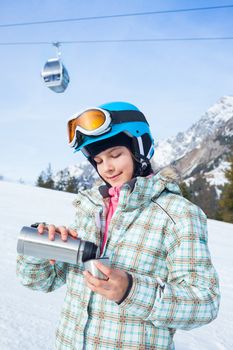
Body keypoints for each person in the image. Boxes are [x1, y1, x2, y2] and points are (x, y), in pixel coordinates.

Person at [17, 101, 220, 350]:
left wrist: (131, 291)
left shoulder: (178, 214)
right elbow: (41, 282)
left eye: (115, 155)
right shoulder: (91, 209)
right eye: (99, 160)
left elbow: (205, 302)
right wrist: (41, 250)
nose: (107, 168)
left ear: (139, 149)